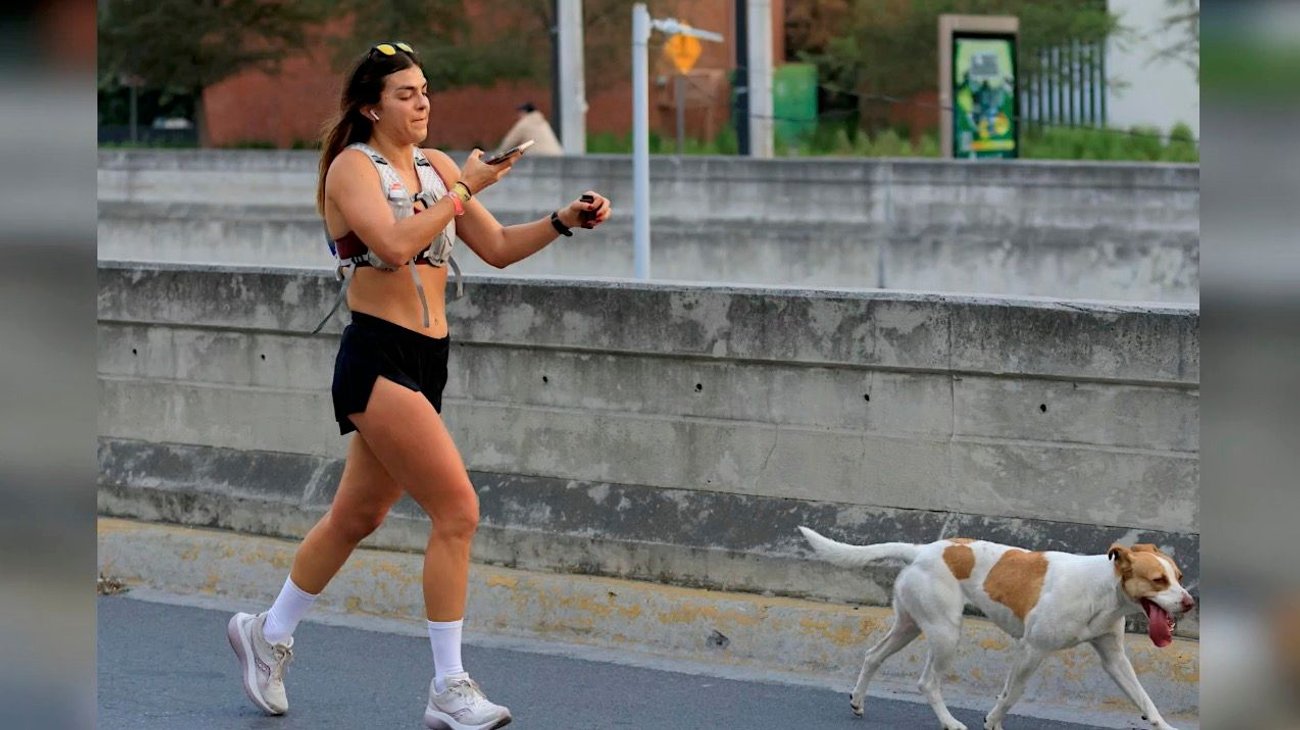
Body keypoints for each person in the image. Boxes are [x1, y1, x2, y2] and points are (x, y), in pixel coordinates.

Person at [225, 41, 611, 730]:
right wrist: (466, 190)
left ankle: (268, 632)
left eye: (426, 90)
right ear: (372, 105)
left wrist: (561, 221)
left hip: (429, 358)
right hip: (375, 357)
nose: (423, 102)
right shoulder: (353, 169)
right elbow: (396, 245)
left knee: (356, 518)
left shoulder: (435, 166)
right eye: (406, 93)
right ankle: (448, 688)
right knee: (457, 510)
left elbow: (493, 249)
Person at [496, 101, 563, 156]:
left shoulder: (524, 123)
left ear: (524, 112)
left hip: (539, 158)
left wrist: (497, 155)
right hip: (557, 156)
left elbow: (509, 142)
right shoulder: (543, 123)